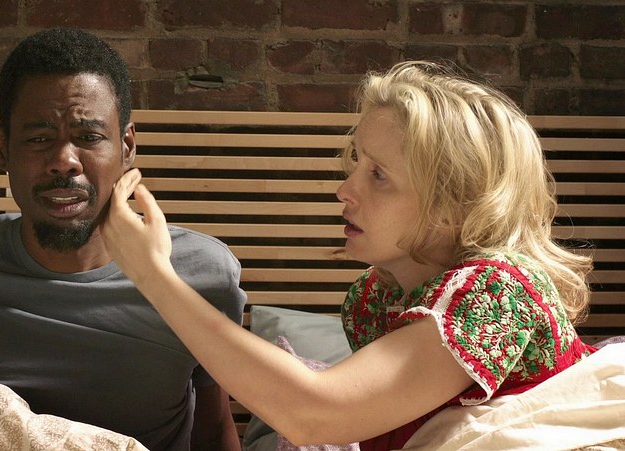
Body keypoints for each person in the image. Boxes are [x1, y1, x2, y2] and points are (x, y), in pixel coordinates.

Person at [100, 61, 598, 449]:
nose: (345, 189)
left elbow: (316, 413)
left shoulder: (497, 292)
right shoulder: (375, 298)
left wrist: (152, 273)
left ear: (452, 205)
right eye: (356, 162)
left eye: (378, 175)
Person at [0, 27, 246, 451]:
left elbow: (213, 429)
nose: (64, 161)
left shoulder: (202, 274)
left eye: (89, 137)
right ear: (2, 149)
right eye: (39, 138)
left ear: (127, 147)